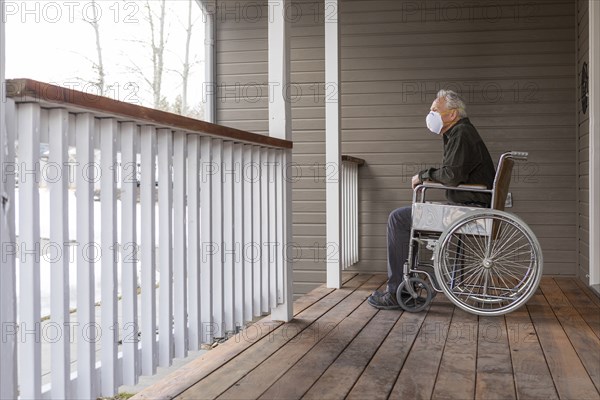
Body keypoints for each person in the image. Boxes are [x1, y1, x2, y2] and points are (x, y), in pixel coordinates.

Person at [368, 89, 496, 310]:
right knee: (408, 218)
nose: (430, 115)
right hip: (469, 206)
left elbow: (451, 176)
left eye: (435, 110)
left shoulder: (462, 134)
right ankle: (404, 290)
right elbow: (454, 174)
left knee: (398, 219)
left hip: (467, 210)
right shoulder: (459, 133)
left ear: (452, 114)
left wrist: (423, 176)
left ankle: (397, 293)